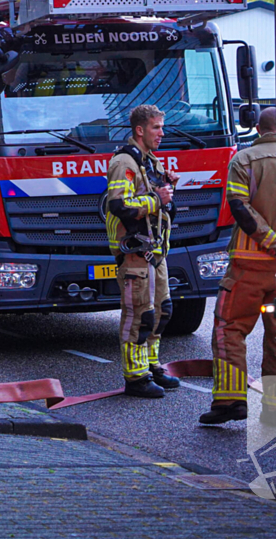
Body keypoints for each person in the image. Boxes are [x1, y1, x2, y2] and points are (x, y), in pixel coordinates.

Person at [200, 107, 276, 425]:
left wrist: (270, 240)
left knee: (230, 329)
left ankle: (230, 401)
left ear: (258, 128)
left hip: (249, 266)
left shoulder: (244, 159)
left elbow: (239, 206)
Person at [105, 104, 181, 399]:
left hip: (155, 252)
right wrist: (157, 198)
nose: (162, 133)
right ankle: (136, 378)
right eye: (156, 127)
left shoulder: (150, 161)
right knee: (139, 315)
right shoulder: (124, 161)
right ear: (139, 130)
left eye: (162, 127)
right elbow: (119, 205)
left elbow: (160, 204)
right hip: (134, 253)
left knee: (162, 311)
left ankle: (151, 366)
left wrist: (167, 188)